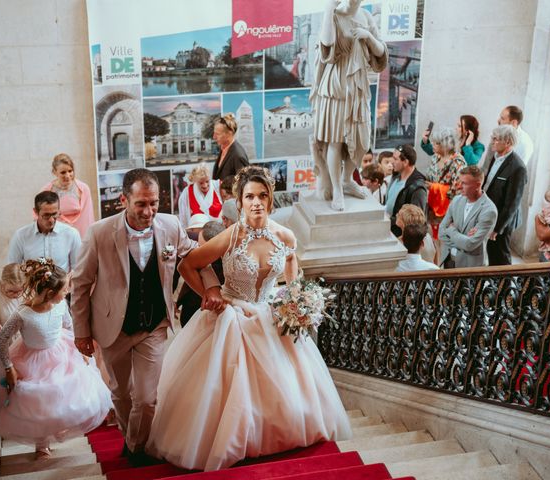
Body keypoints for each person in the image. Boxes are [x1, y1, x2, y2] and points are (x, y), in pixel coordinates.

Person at [146, 166, 351, 471]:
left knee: (285, 386)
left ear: (270, 201)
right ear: (240, 201)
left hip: (270, 317)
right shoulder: (231, 236)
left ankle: (277, 435)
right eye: (250, 196)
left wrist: (296, 300)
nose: (256, 202)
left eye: (262, 196)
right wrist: (209, 293)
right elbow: (187, 265)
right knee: (231, 388)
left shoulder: (285, 236)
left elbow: (293, 267)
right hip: (232, 318)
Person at [71, 168, 221, 463]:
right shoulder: (99, 233)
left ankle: (136, 447)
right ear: (124, 200)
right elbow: (80, 285)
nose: (149, 210)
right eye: (141, 204)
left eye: (153, 203)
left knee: (147, 398)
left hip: (153, 325)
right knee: (122, 395)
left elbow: (194, 256)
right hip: (112, 326)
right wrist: (81, 332)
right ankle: (132, 437)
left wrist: (212, 287)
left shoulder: (170, 225)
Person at [0, 259, 112, 459]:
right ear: (49, 293)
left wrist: (79, 348)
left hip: (60, 353)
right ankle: (42, 444)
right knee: (40, 403)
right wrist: (8, 367)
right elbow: (1, 340)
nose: (67, 292)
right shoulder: (23, 314)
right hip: (31, 360)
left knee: (64, 393)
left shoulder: (61, 305)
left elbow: (69, 326)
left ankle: (59, 424)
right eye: (64, 289)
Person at [310, 0, 388, 211]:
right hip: (336, 86)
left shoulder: (366, 16)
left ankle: (347, 179)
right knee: (335, 141)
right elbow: (326, 46)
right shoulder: (334, 14)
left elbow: (381, 52)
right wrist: (328, 9)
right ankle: (337, 189)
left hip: (358, 87)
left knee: (361, 141)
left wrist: (369, 37)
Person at [483, 125, 528, 265]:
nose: (492, 141)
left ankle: (506, 284)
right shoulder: (495, 156)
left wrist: (497, 228)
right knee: (490, 252)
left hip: (503, 219)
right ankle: (492, 283)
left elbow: (512, 204)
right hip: (491, 211)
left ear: (508, 142)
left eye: (495, 139)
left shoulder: (518, 167)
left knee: (501, 255)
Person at [7, 191, 81, 273]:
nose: (51, 220)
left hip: (63, 285)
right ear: (35, 212)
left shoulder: (71, 234)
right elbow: (12, 270)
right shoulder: (21, 236)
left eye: (54, 214)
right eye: (46, 215)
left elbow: (78, 269)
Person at [439, 166, 498, 268]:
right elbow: (441, 232)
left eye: (464, 183)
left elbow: (470, 244)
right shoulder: (457, 200)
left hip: (470, 266)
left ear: (478, 185)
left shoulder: (489, 211)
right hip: (448, 260)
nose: (459, 186)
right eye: (459, 181)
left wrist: (451, 230)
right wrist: (462, 241)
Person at [0, 263, 25, 414]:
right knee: (8, 386)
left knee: (26, 386)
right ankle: (10, 418)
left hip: (25, 346)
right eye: (10, 291)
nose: (15, 295)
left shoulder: (26, 296)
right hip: (7, 349)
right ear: (2, 284)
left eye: (19, 291)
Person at [424, 128, 467, 258]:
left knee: (447, 244)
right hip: (433, 207)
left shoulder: (458, 162)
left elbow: (459, 190)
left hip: (449, 209)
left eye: (436, 143)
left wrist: (434, 187)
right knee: (434, 242)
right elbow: (428, 178)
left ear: (446, 144)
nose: (433, 145)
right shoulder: (435, 158)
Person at [177, 221, 226, 327]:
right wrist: (177, 302)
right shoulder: (190, 241)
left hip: (216, 312)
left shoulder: (227, 264)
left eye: (202, 248)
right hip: (190, 310)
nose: (197, 252)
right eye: (198, 246)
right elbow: (186, 282)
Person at [40, 153, 95, 238]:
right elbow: (41, 218)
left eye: (70, 171)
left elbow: (87, 218)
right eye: (63, 172)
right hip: (55, 236)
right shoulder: (46, 191)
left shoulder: (83, 189)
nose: (68, 176)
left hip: (80, 236)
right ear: (54, 172)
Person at [386, 144, 428, 237]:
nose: (392, 162)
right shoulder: (395, 176)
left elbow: (416, 221)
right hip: (389, 230)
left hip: (401, 236)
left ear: (405, 162)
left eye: (395, 159)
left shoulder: (417, 188)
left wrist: (391, 220)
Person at [212, 114, 249, 181]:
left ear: (229, 134)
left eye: (217, 134)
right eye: (214, 133)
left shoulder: (238, 155)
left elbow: (243, 184)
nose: (214, 137)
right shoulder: (224, 148)